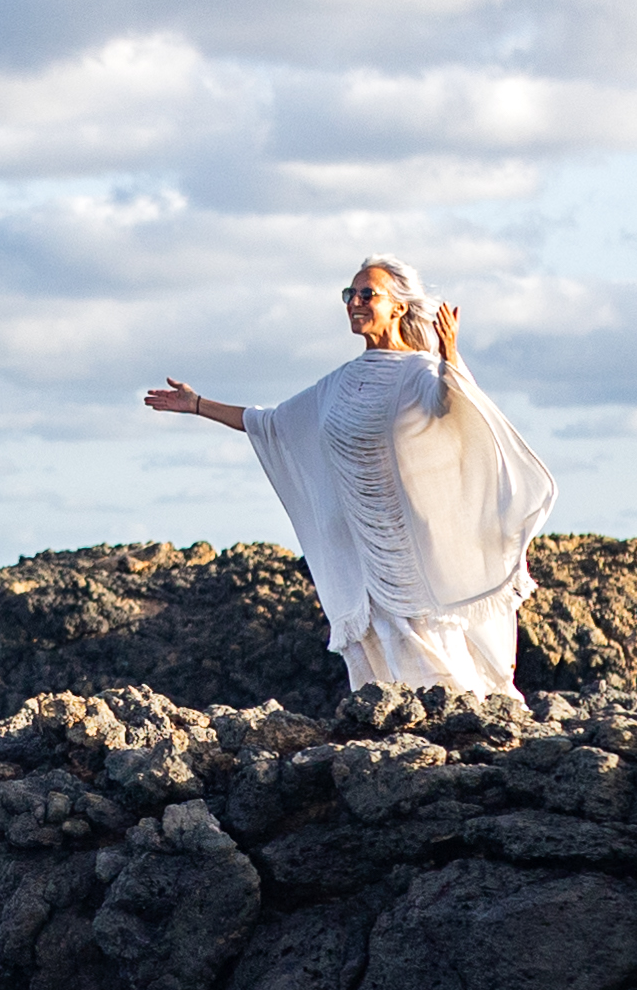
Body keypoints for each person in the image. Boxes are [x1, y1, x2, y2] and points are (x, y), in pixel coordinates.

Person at [147, 259, 559, 699]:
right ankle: (390, 729)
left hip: (414, 547)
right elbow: (271, 423)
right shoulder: (337, 384)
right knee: (380, 656)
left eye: (367, 295)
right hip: (361, 549)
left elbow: (452, 405)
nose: (355, 303)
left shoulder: (422, 371)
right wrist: (197, 405)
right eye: (350, 294)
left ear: (399, 308)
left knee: (432, 645)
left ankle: (459, 726)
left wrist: (450, 354)